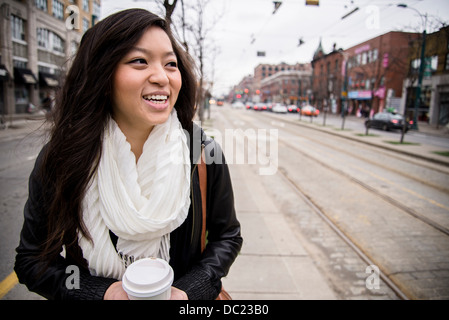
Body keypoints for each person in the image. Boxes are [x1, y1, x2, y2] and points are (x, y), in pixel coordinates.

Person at [14, 8, 242, 300]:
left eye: (170, 64)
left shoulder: (203, 153)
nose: (162, 77)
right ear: (102, 73)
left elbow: (227, 236)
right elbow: (32, 261)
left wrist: (189, 293)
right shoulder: (62, 158)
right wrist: (99, 293)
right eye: (139, 61)